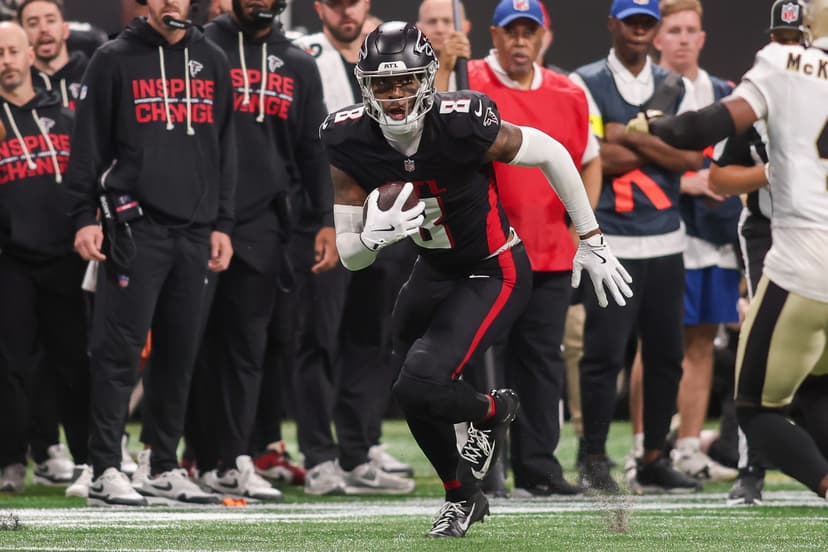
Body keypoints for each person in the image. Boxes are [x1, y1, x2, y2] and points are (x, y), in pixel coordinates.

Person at [324, 21, 631, 537]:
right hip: (432, 269)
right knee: (412, 390)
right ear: (365, 86)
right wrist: (372, 238)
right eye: (382, 84)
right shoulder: (348, 136)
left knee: (421, 379)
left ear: (427, 79)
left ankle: (492, 412)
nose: (395, 96)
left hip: (493, 267)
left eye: (406, 82)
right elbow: (351, 257)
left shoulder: (462, 122)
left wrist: (591, 238)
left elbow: (553, 152)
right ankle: (464, 493)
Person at [626, 0, 828, 504]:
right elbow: (720, 173)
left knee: (757, 404)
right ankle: (753, 471)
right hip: (781, 235)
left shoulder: (780, 68)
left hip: (802, 252)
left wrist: (654, 124)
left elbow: (697, 130)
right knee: (818, 377)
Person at [64, 0, 235, 506]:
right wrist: (83, 216)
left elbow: (226, 148)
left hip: (196, 230)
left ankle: (161, 464)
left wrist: (223, 223)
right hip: (134, 227)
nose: (170, 3)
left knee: (179, 354)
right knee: (117, 353)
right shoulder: (113, 58)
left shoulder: (214, 59)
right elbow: (86, 145)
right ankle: (103, 468)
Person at [465, 0, 601, 496]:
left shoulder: (570, 92)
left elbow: (590, 158)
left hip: (548, 251)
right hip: (488, 251)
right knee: (479, 360)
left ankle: (539, 469)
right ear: (494, 35)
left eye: (529, 31)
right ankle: (480, 468)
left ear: (544, 35)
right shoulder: (468, 80)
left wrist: (582, 225)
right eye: (511, 31)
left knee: (542, 361)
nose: (520, 40)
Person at [569, 0, 703, 494]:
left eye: (648, 22)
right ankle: (593, 457)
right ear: (613, 24)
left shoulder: (677, 85)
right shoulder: (586, 81)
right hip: (612, 237)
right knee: (603, 355)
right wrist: (656, 144)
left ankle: (653, 456)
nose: (640, 31)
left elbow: (691, 158)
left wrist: (631, 136)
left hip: (667, 238)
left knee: (667, 356)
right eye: (632, 22)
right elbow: (594, 156)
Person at [294, 0, 417, 496]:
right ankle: (319, 456)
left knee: (371, 340)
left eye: (353, 2)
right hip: (327, 218)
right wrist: (319, 218)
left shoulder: (392, 55)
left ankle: (359, 450)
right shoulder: (304, 55)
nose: (345, 11)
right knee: (318, 338)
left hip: (386, 216)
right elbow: (303, 147)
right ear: (318, 6)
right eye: (334, 2)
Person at [647, 0, 740, 484]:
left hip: (715, 237)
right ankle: (643, 447)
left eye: (691, 30)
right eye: (674, 30)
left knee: (703, 341)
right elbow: (634, 160)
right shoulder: (647, 92)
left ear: (703, 38)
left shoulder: (726, 93)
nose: (683, 38)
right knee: (656, 343)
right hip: (665, 232)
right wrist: (687, 183)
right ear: (658, 38)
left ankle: (687, 446)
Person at [0, 20, 87, 494]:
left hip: (66, 256)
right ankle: (11, 461)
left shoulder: (67, 117)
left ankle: (91, 461)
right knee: (9, 366)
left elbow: (88, 181)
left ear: (31, 55)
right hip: (9, 259)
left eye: (13, 51)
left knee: (74, 363)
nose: (6, 62)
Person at [17, 0, 86, 109]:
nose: (44, 29)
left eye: (51, 20)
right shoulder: (16, 85)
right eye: (33, 23)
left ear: (65, 30)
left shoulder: (93, 73)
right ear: (21, 36)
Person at [416, 0, 471, 92]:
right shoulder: (408, 77)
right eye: (432, 22)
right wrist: (443, 68)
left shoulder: (484, 73)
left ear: (466, 27)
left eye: (447, 21)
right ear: (418, 29)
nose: (439, 29)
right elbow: (430, 101)